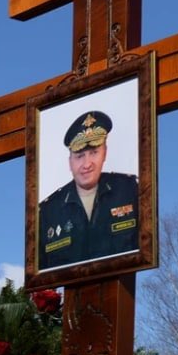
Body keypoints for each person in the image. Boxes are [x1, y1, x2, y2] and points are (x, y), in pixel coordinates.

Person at [37, 110, 139, 269]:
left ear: (105, 153)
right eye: (79, 156)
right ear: (69, 161)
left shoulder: (130, 190)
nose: (87, 164)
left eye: (94, 153)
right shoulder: (48, 211)